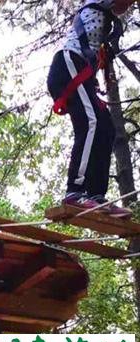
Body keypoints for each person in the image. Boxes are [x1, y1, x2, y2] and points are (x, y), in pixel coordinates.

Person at [47, 0, 134, 217]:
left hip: (79, 70)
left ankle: (96, 194)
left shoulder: (105, 20)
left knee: (106, 127)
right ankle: (74, 191)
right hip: (68, 64)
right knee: (91, 122)